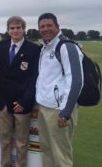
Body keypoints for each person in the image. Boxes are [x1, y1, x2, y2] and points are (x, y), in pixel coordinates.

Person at [36, 13, 84, 167]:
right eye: (42, 26)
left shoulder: (66, 46)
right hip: (44, 107)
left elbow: (76, 81)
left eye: (49, 25)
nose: (46, 29)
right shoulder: (45, 47)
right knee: (46, 150)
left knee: (61, 156)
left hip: (59, 111)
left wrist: (65, 112)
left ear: (57, 26)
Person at [0, 16, 40, 167]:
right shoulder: (2, 46)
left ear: (24, 29)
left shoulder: (34, 49)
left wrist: (25, 101)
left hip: (21, 104)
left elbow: (35, 78)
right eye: (12, 28)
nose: (15, 30)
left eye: (18, 27)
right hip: (3, 103)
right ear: (8, 30)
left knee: (21, 143)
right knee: (5, 140)